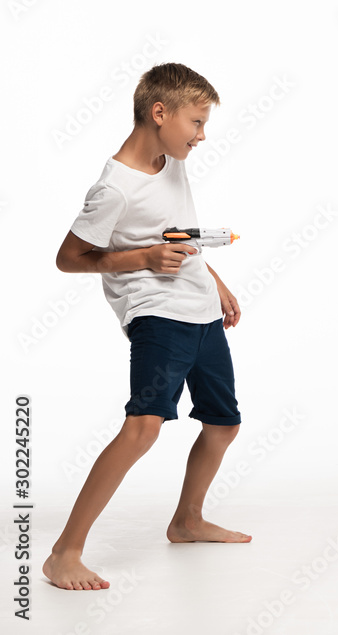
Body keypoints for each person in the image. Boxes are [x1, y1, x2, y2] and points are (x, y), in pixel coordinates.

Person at [43, 63, 250, 591]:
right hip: (158, 316)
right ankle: (63, 553)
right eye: (197, 123)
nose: (202, 137)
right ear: (160, 113)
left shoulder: (171, 159)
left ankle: (186, 521)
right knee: (143, 429)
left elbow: (177, 235)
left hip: (201, 310)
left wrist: (216, 282)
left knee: (224, 423)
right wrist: (142, 258)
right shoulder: (113, 187)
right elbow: (69, 259)